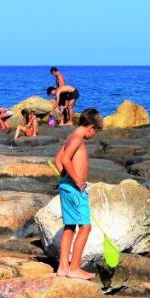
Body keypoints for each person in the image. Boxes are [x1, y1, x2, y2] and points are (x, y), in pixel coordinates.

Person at [54, 108, 103, 279]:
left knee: (69, 227)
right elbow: (66, 159)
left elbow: (57, 160)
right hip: (75, 189)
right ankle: (74, 267)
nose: (94, 135)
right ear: (90, 127)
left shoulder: (71, 137)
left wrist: (66, 177)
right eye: (95, 131)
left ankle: (63, 267)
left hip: (67, 186)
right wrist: (77, 180)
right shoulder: (77, 139)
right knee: (85, 227)